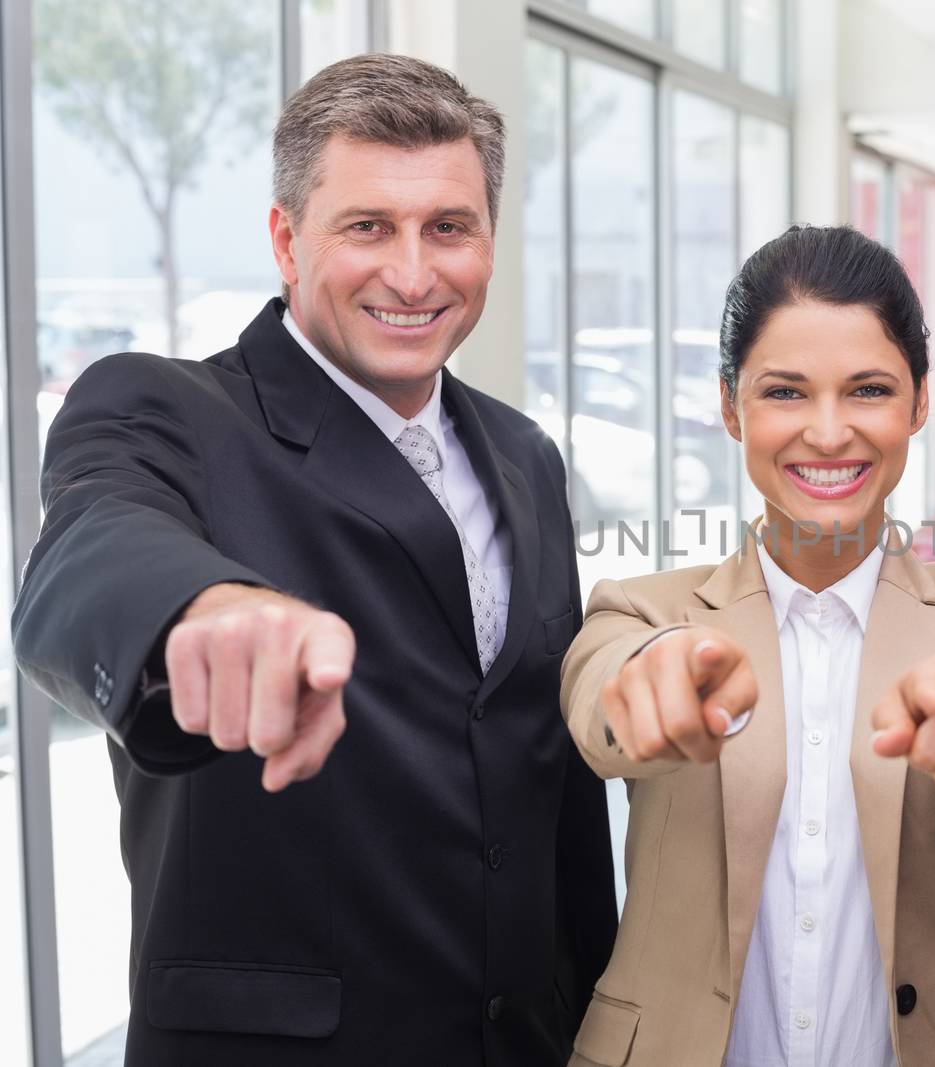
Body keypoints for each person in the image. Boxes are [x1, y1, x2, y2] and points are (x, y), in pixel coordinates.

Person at [12, 54, 615, 1066]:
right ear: (287, 240)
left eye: (449, 228)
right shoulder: (166, 409)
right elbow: (90, 547)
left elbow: (545, 780)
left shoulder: (524, 454)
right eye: (368, 226)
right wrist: (203, 604)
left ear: (490, 242)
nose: (414, 273)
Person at [559, 225, 935, 1067]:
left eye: (869, 390)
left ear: (918, 402)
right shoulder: (641, 611)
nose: (830, 432)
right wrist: (641, 682)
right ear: (731, 407)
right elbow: (600, 696)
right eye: (786, 393)